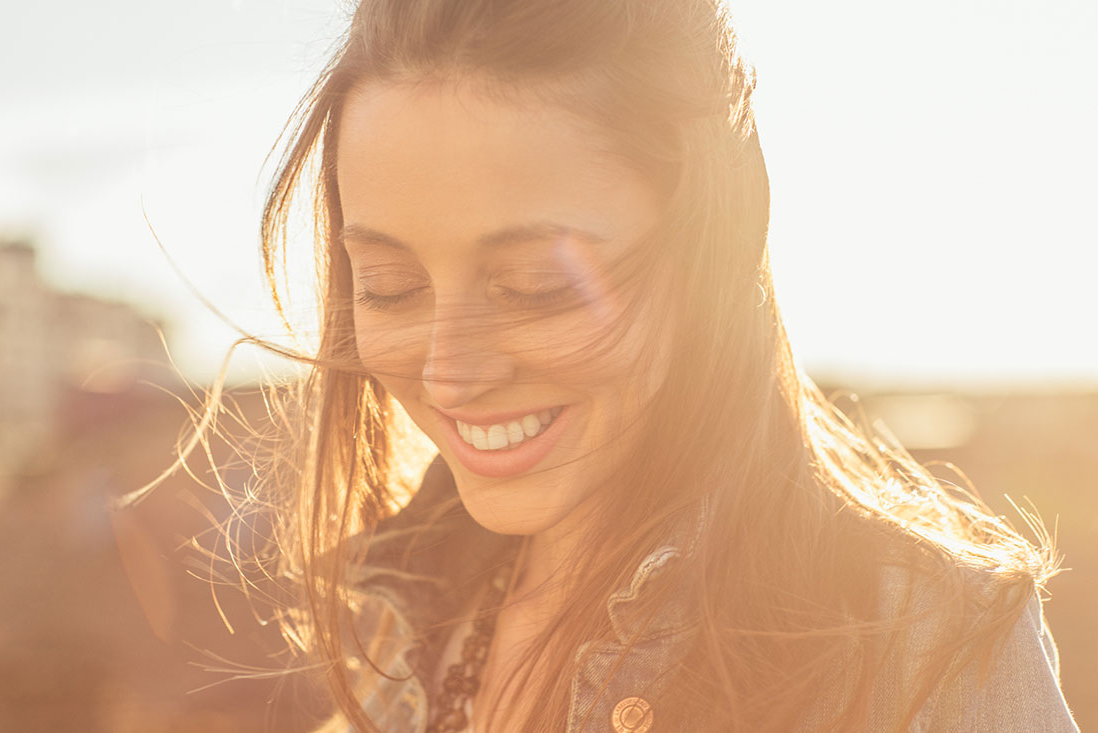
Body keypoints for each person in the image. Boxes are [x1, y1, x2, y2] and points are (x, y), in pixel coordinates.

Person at [185, 0, 1080, 730]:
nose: (450, 375)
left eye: (536, 286)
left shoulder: (929, 645)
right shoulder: (402, 629)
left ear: (717, 244)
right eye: (387, 286)